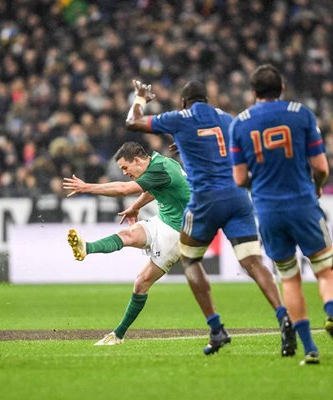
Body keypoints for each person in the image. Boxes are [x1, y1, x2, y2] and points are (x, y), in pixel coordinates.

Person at [125, 79, 296, 356]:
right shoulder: (227, 119)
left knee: (190, 260)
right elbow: (235, 152)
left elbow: (133, 122)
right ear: (206, 99)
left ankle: (216, 329)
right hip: (238, 198)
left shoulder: (179, 118)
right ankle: (283, 317)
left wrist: (141, 99)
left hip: (205, 200)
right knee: (253, 262)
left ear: (184, 102)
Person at [229, 64, 333, 365]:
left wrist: (258, 183)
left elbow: (238, 178)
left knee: (289, 279)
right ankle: (332, 314)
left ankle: (310, 348)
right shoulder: (302, 114)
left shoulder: (240, 123)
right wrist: (318, 187)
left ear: (253, 92)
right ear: (282, 88)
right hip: (303, 204)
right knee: (325, 268)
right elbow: (322, 167)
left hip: (268, 210)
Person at [63, 141, 190, 345]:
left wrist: (87, 187)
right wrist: (135, 207)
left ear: (137, 161)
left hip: (178, 233)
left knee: (141, 283)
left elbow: (123, 189)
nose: (124, 172)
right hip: (164, 220)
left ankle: (118, 334)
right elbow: (151, 188)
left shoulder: (160, 168)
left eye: (125, 167)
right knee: (128, 235)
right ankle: (86, 248)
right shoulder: (160, 163)